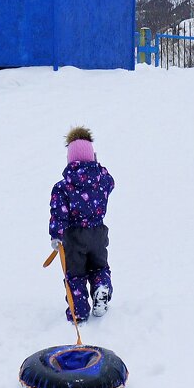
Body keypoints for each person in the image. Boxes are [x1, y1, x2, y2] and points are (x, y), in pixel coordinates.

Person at [50, 127, 114, 323]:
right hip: (98, 234)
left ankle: (78, 311)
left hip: (74, 237)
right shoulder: (102, 180)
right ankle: (101, 287)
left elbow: (58, 212)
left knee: (75, 274)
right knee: (99, 267)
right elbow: (111, 183)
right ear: (93, 157)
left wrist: (56, 235)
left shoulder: (63, 186)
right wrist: (97, 167)